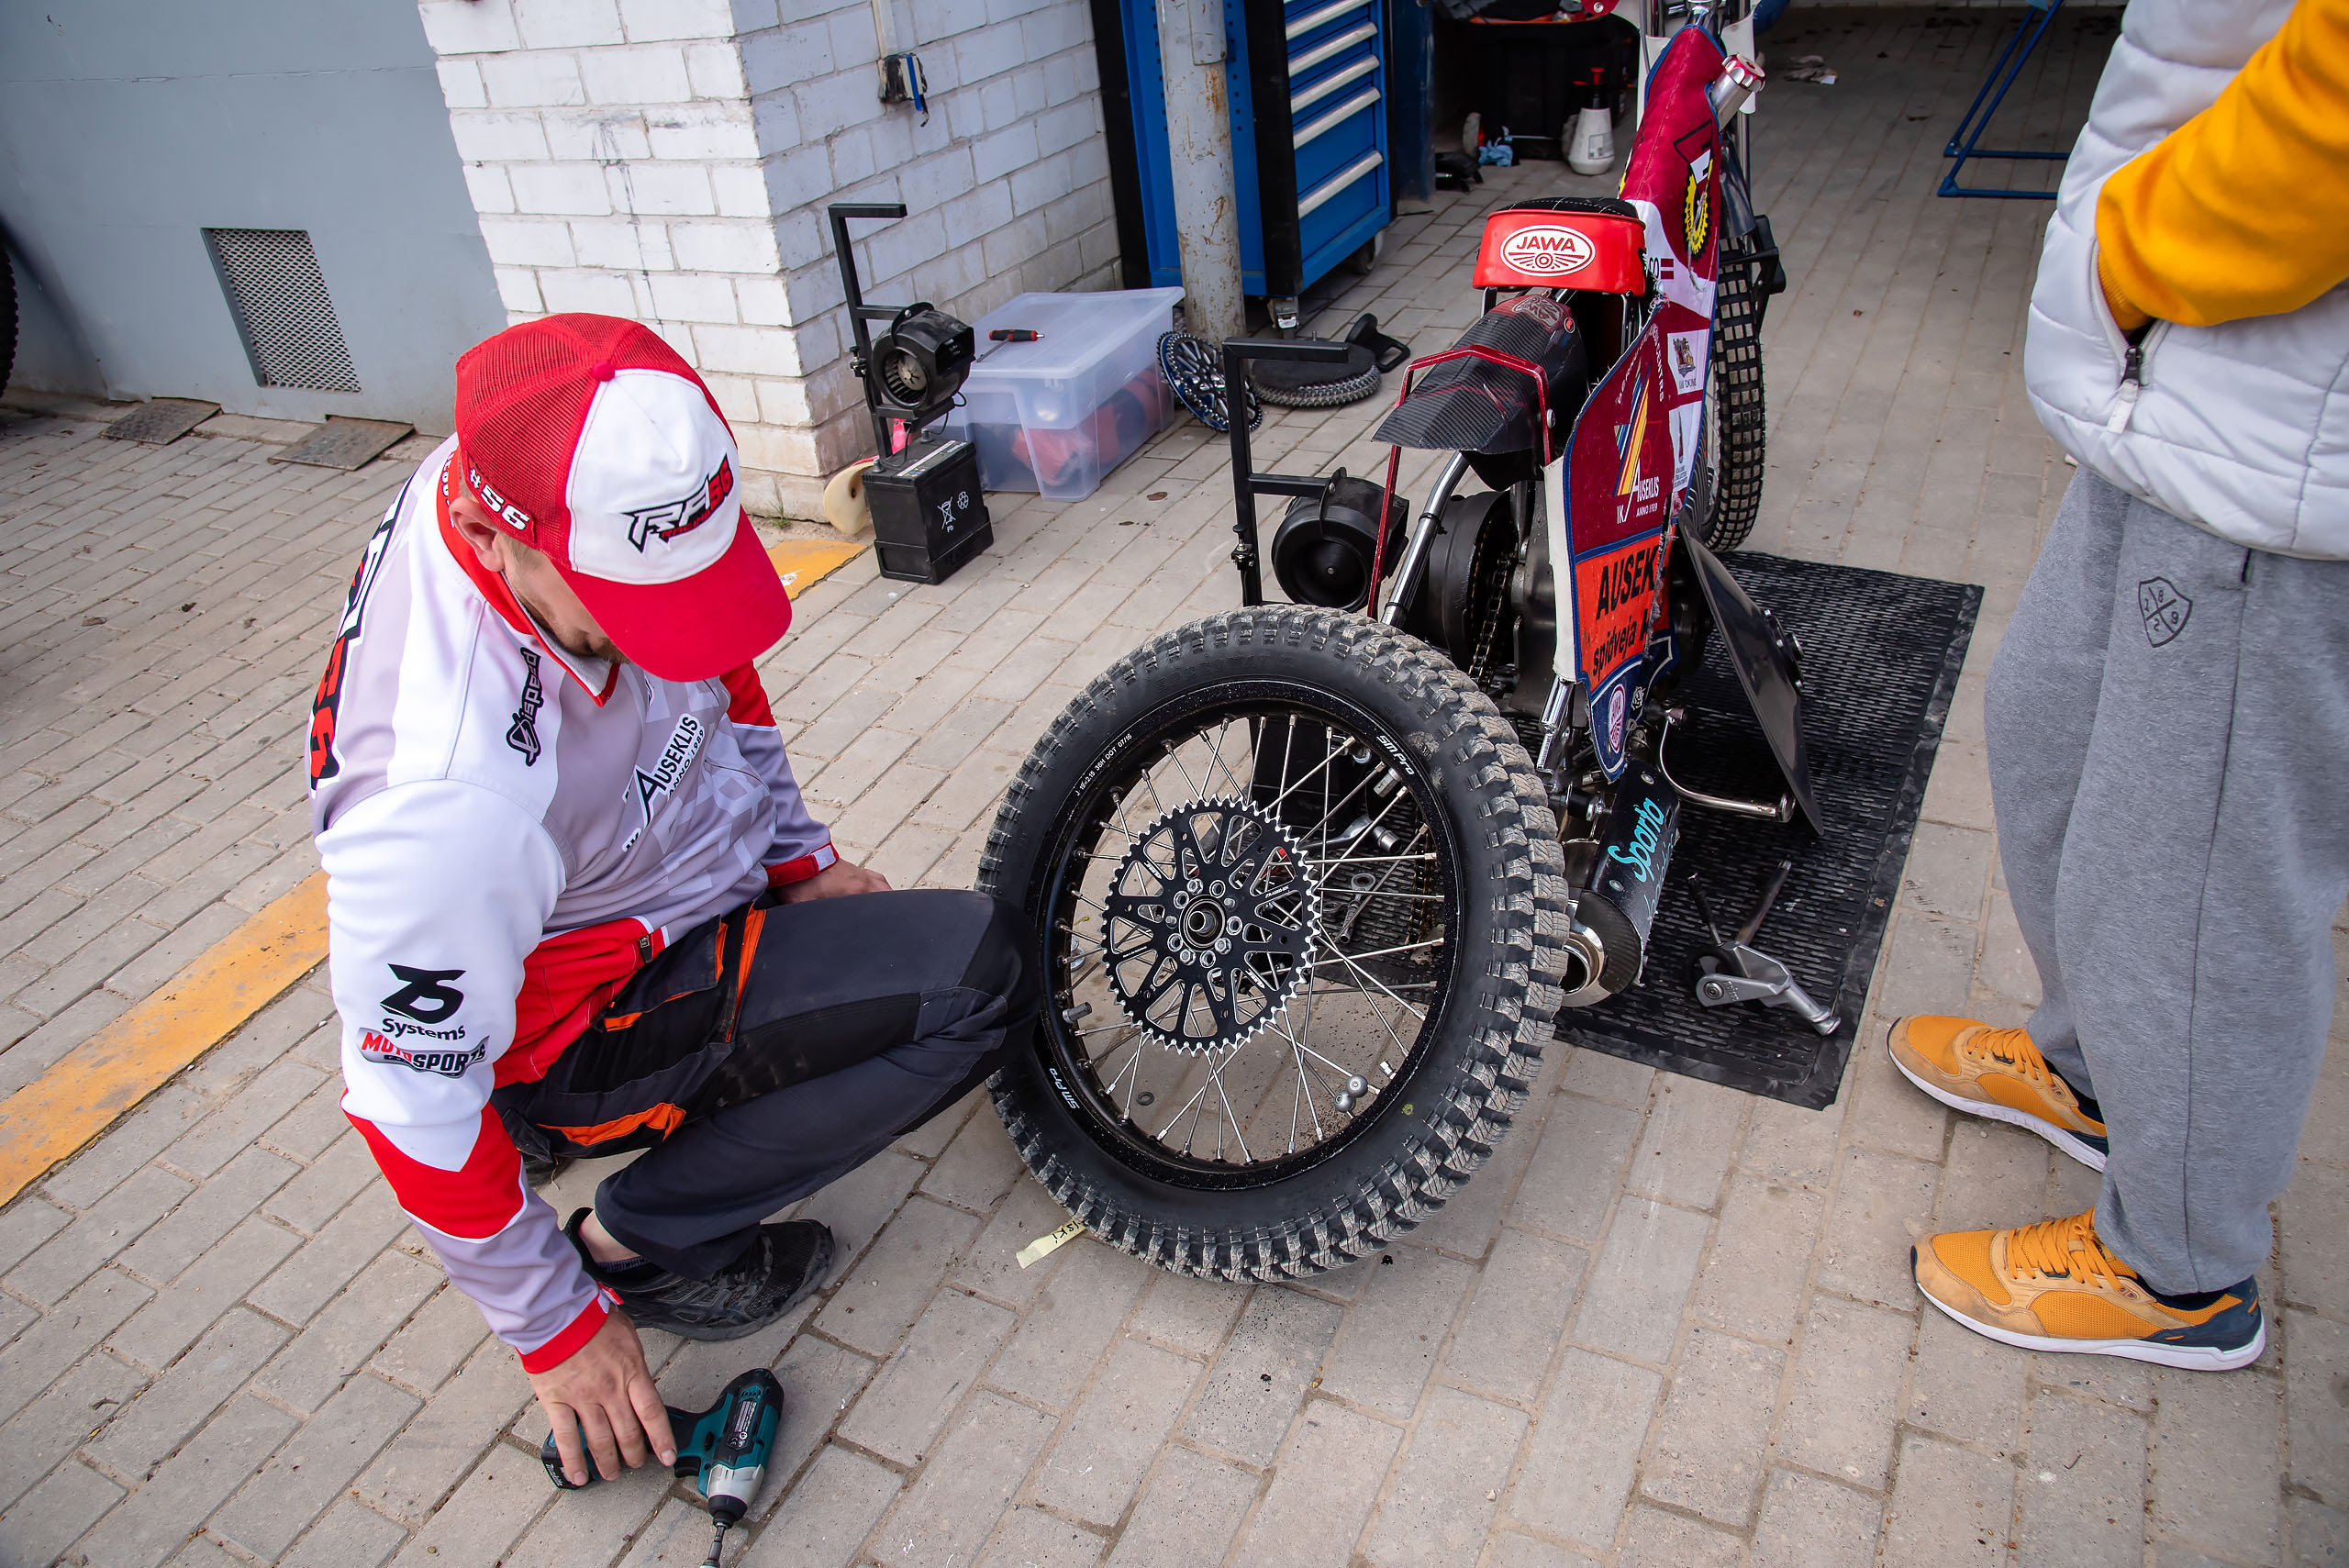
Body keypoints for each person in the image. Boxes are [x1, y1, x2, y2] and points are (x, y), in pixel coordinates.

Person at [308, 314, 1036, 1485]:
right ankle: (641, 1242)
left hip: (607, 895)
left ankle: (555, 1123)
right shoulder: (447, 802)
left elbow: (712, 654)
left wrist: (798, 860)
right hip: (579, 1005)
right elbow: (408, 1101)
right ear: (494, 538)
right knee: (980, 975)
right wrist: (555, 1323)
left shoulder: (521, 461)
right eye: (633, 607)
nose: (671, 631)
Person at [1891, 0, 2349, 1370]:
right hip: (2191, 393)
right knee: (2044, 729)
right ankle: (2095, 1070)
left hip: (2277, 419)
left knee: (2190, 886)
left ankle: (2181, 1267)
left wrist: (2135, 247)